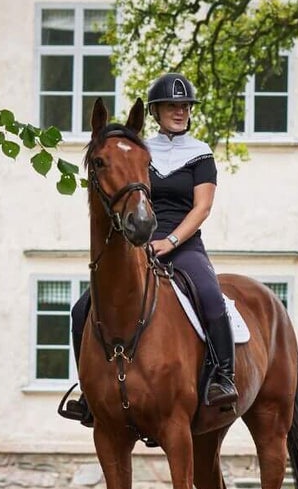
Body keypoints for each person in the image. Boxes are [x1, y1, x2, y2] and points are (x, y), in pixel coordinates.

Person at [67, 73, 236, 409]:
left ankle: (222, 376)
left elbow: (202, 207)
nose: (180, 111)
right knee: (81, 309)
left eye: (185, 106)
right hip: (139, 244)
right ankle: (88, 392)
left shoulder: (200, 153)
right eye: (171, 106)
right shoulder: (140, 151)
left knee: (211, 297)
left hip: (183, 244)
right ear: (156, 112)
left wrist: (170, 241)